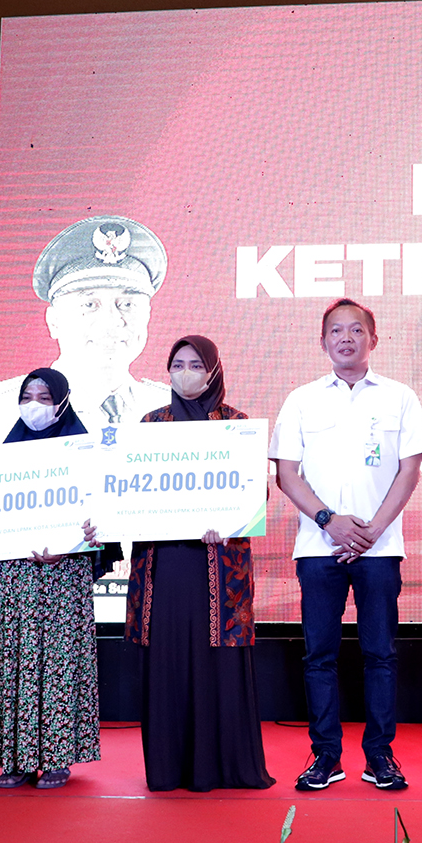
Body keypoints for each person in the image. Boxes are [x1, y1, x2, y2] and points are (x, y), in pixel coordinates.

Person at [270, 299, 422, 793]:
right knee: (319, 656)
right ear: (323, 342)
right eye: (336, 331)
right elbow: (286, 474)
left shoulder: (400, 397)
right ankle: (326, 756)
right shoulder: (301, 400)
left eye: (356, 330)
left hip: (380, 549)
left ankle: (379, 755)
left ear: (373, 339)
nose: (346, 338)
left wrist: (373, 529)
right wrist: (328, 521)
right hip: (318, 548)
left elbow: (410, 470)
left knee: (380, 654)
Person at [127, 336, 274, 792]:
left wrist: (229, 521)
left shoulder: (236, 424)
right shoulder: (149, 426)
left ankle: (223, 767)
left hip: (218, 563)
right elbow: (128, 489)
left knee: (217, 659)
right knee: (168, 655)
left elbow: (255, 492)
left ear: (213, 371)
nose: (185, 372)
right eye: (177, 364)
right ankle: (168, 769)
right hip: (163, 564)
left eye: (195, 364)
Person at [0, 368, 107, 789]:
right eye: (27, 396)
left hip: (61, 576)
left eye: (45, 398)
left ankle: (57, 757)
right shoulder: (2, 458)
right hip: (9, 577)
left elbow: (103, 516)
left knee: (58, 664)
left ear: (63, 401)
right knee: (9, 662)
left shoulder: (87, 453)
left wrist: (75, 541)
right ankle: (14, 758)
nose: (34, 405)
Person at [0, 215, 170, 442]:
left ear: (148, 316)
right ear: (54, 321)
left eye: (127, 304)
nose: (112, 320)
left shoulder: (178, 413)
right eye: (90, 305)